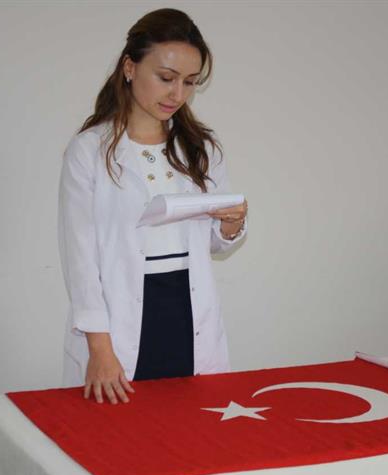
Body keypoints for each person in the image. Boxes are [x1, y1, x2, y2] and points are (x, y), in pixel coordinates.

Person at [57, 8, 248, 405]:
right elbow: (80, 259)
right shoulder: (89, 151)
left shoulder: (201, 149)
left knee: (191, 425)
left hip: (186, 308)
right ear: (130, 67)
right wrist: (100, 349)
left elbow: (213, 243)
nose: (177, 94)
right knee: (118, 433)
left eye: (189, 82)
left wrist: (231, 225)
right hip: (121, 318)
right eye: (166, 78)